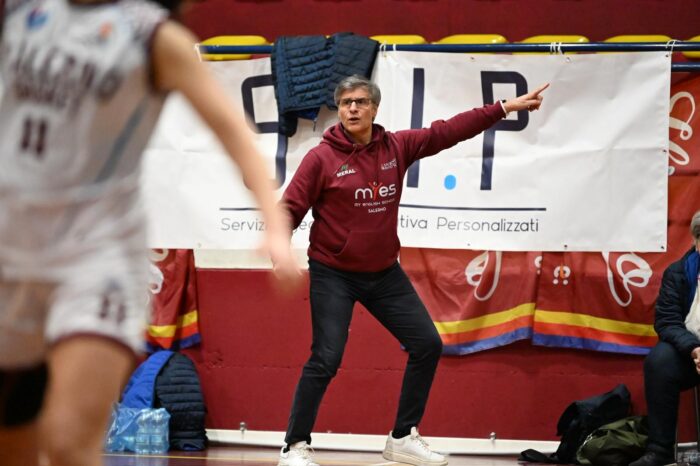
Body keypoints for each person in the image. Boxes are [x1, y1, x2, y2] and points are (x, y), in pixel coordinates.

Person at [0, 1, 301, 465]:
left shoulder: (151, 36)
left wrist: (274, 223)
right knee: (12, 440)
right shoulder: (23, 13)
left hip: (95, 256)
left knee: (67, 441)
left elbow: (231, 128)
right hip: (13, 250)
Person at [277, 74, 549, 466]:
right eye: (346, 103)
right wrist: (279, 252)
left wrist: (503, 108)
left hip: (384, 273)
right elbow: (289, 208)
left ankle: (402, 438)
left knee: (427, 344)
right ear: (339, 110)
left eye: (360, 101)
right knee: (326, 358)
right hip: (333, 273)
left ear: (374, 108)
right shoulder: (321, 159)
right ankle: (294, 446)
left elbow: (448, 131)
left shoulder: (397, 147)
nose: (352, 108)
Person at [630, 210, 700, 466]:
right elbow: (667, 321)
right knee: (660, 362)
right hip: (691, 350)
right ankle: (660, 449)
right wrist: (694, 349)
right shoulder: (678, 272)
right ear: (696, 240)